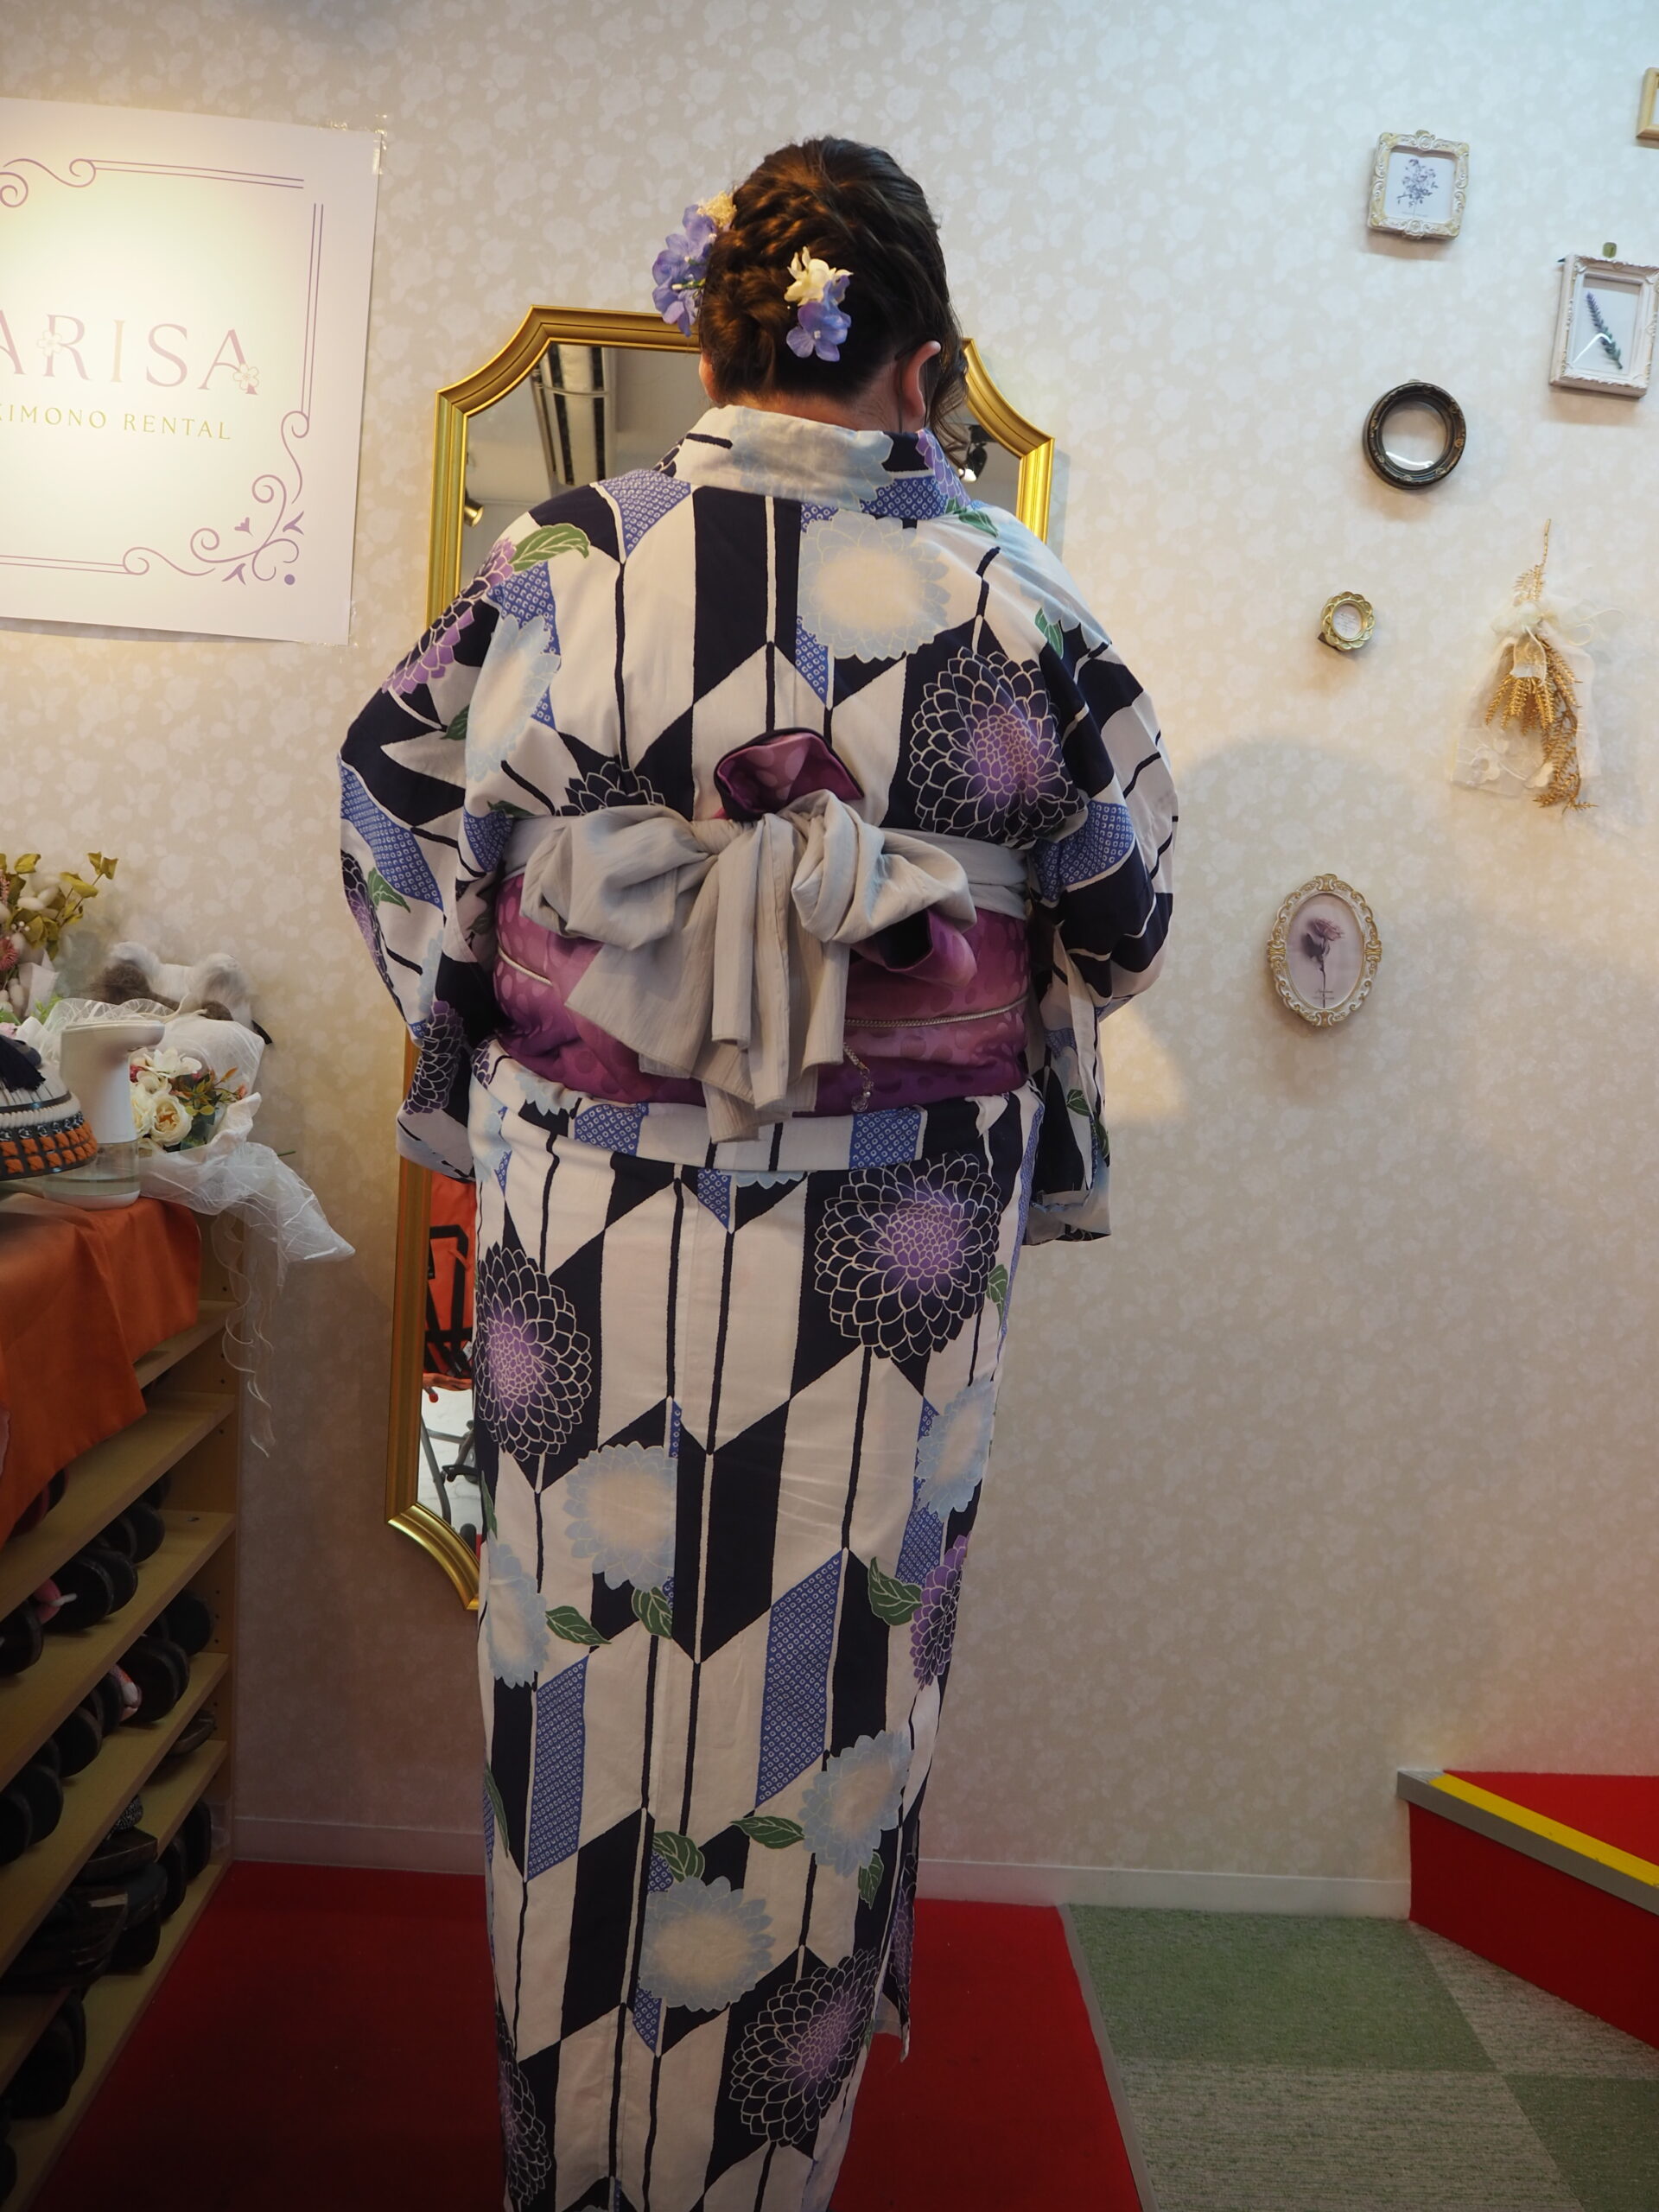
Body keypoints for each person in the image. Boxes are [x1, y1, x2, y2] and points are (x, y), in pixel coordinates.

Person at [341, 136, 1175, 2212]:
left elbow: (391, 800)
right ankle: (766, 2162)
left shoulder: (558, 560)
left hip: (586, 1209)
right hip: (898, 1225)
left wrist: (509, 1024)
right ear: (924, 367)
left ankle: (566, 2154)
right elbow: (1126, 907)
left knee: (578, 1646)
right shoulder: (1015, 594)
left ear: (715, 342)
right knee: (834, 1653)